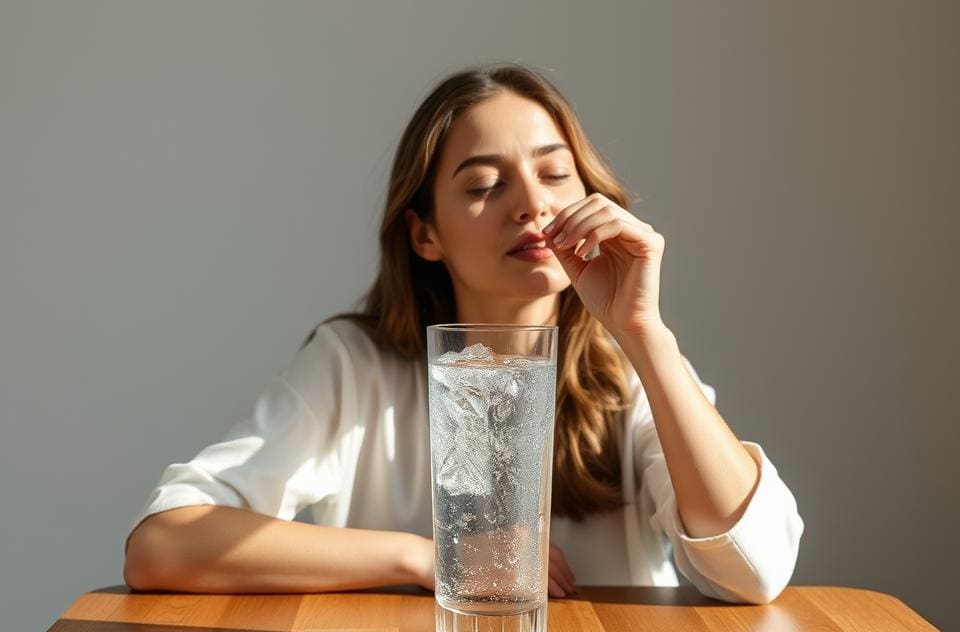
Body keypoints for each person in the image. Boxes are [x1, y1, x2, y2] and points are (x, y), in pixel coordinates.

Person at [123, 64, 803, 604]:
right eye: (484, 185)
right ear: (424, 233)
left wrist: (646, 335)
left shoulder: (629, 375)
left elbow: (756, 570)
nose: (532, 204)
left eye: (554, 174)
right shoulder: (353, 368)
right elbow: (161, 546)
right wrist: (429, 555)